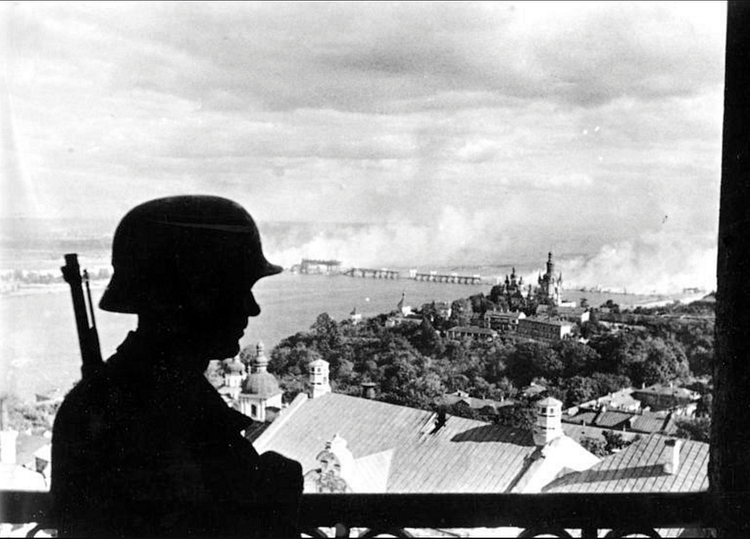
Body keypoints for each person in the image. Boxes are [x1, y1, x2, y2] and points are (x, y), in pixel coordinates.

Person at [51, 195, 303, 538]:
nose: (252, 308)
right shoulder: (174, 409)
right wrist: (274, 491)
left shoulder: (102, 398)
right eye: (239, 290)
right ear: (195, 297)